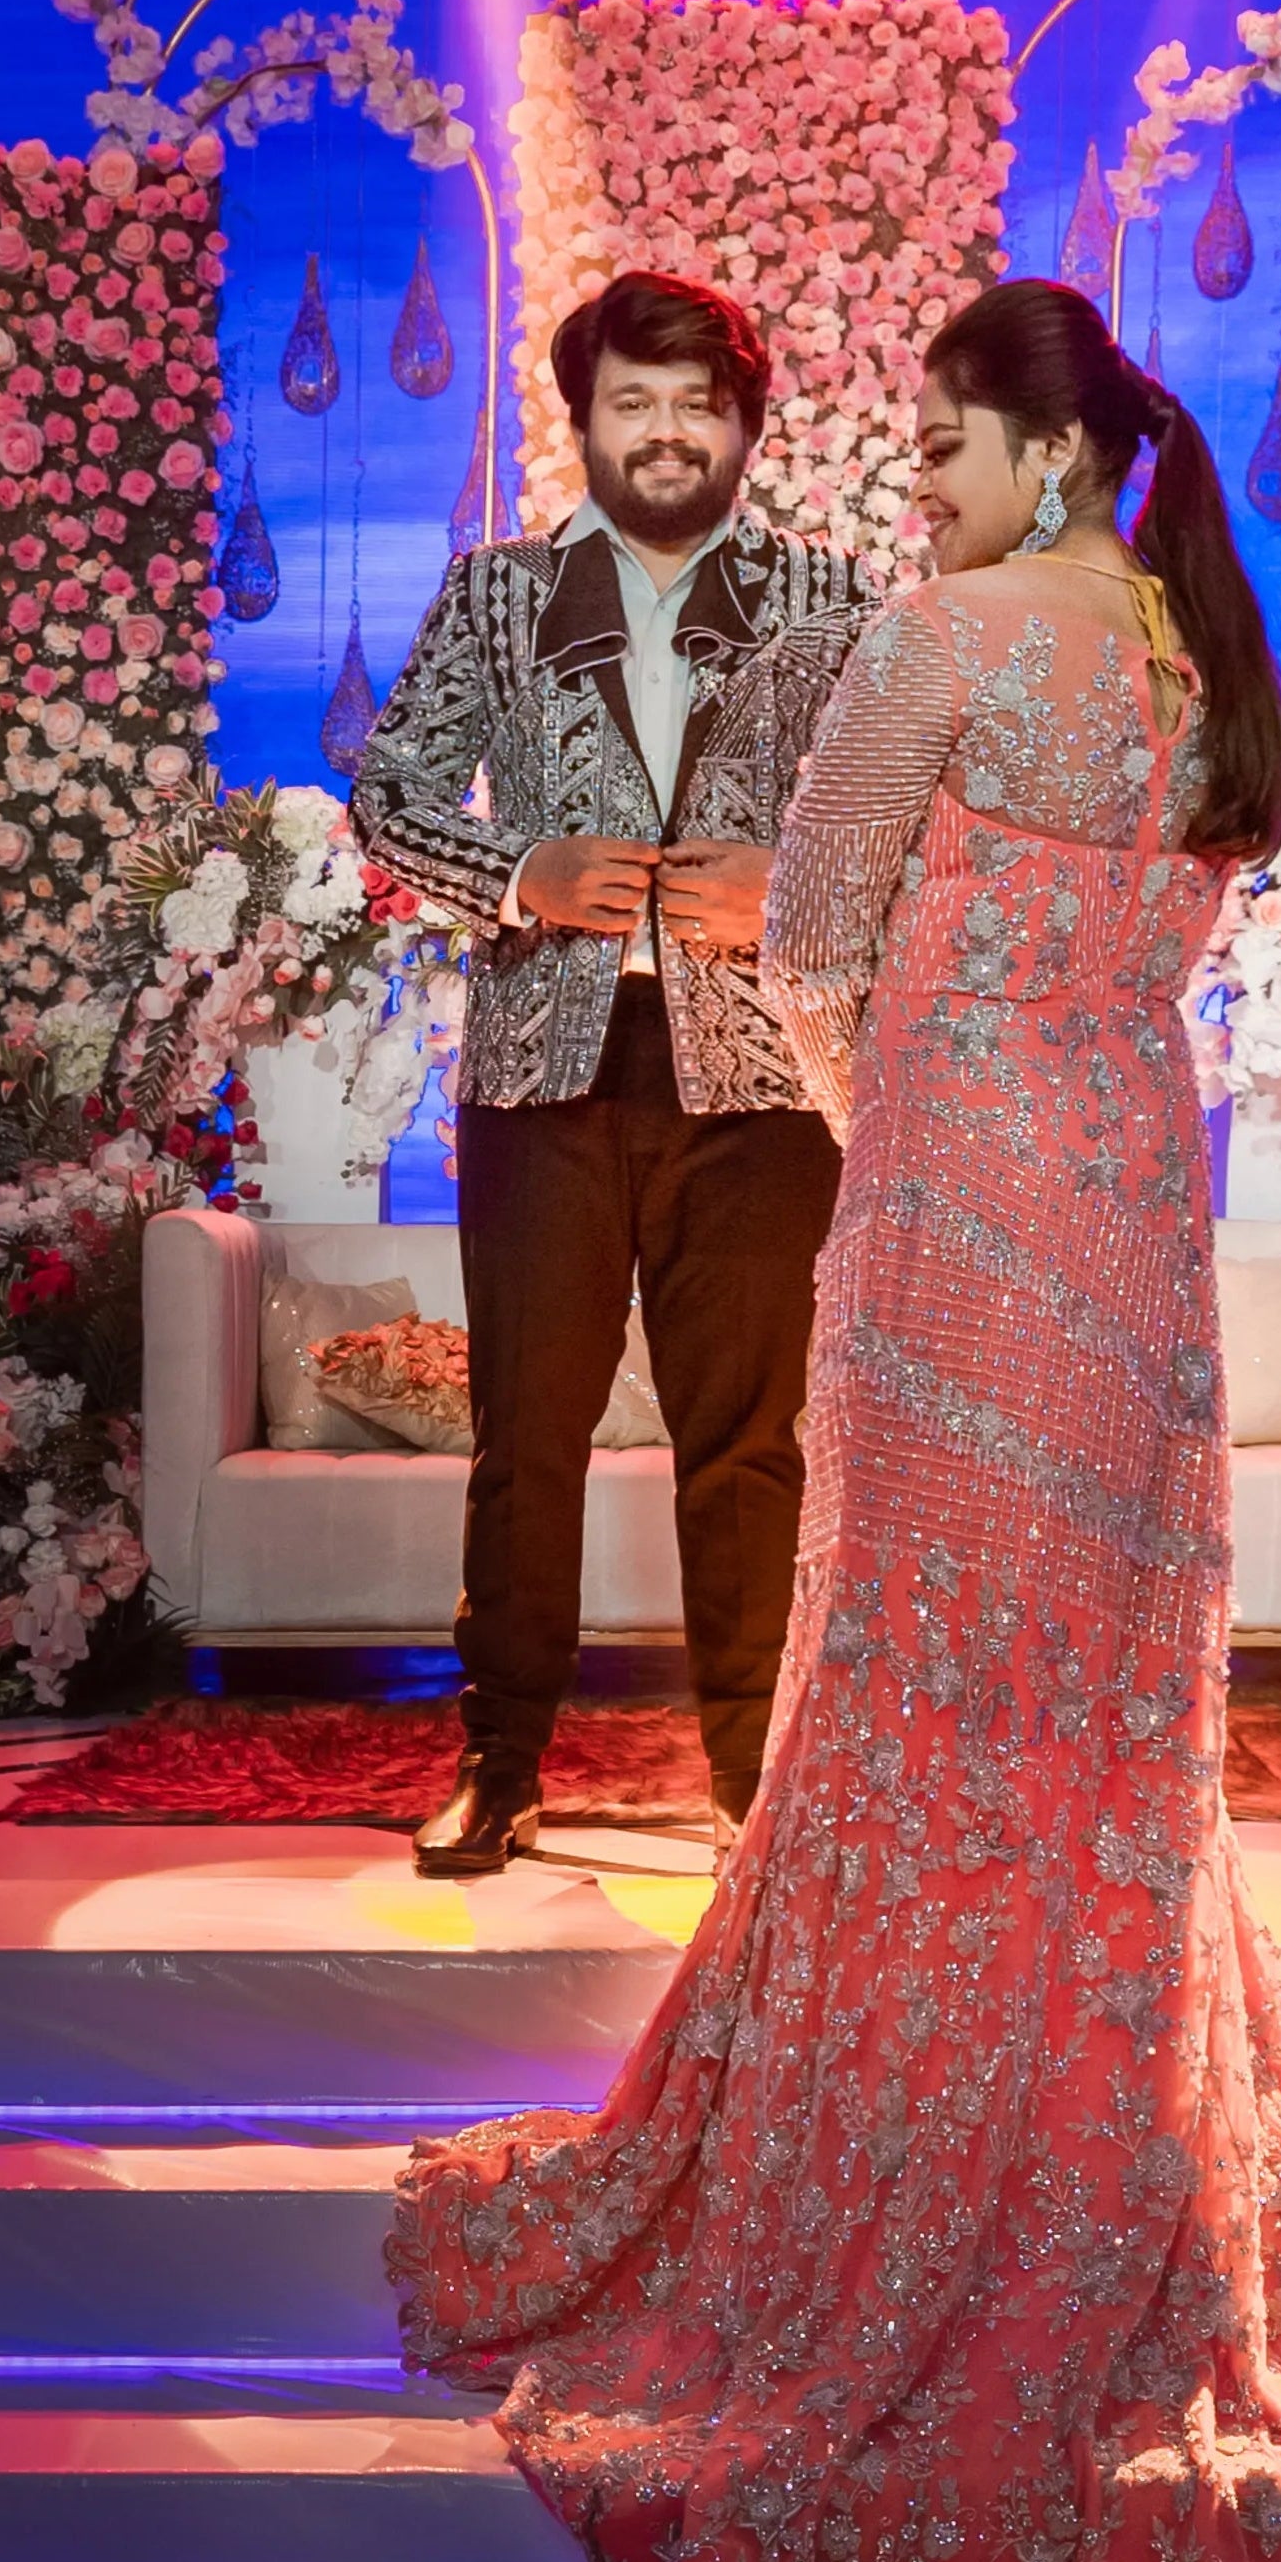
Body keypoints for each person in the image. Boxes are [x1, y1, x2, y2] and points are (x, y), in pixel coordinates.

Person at [386, 280, 1281, 2562]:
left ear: (1040, 454)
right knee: (1093, 1704)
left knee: (912, 1676)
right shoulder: (1199, 656)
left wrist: (901, 1128)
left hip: (963, 1212)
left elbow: (813, 945)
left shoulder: (942, 636)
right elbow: (1159, 937)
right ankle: (1109, 2150)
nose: (922, 491)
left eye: (944, 452)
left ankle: (893, 2150)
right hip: (1134, 1210)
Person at [351, 268, 877, 1876]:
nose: (662, 433)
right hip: (542, 1073)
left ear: (745, 424)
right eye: (629, 403)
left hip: (759, 1080)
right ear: (580, 419)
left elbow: (901, 825)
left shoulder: (829, 596)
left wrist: (785, 891)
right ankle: (499, 1762)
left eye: (693, 406)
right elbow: (388, 789)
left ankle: (751, 1778)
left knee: (750, 1440)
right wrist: (519, 872)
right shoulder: (497, 593)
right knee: (527, 1435)